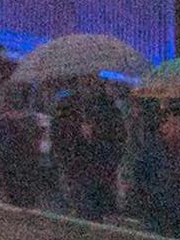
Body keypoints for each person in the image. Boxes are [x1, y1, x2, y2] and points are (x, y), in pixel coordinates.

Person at [51, 79, 126, 222]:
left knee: (97, 212)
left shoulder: (108, 110)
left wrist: (95, 135)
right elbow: (60, 138)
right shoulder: (69, 108)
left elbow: (118, 139)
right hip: (81, 171)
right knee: (86, 212)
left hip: (100, 171)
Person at [135, 108, 180, 239]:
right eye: (172, 124)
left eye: (179, 125)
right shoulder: (150, 150)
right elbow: (141, 177)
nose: (177, 129)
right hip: (157, 212)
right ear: (163, 127)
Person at [0, 83, 43, 207]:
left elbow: (1, 147)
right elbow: (37, 141)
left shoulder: (4, 121)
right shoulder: (32, 120)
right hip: (27, 162)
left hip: (12, 162)